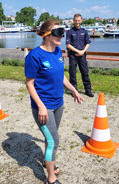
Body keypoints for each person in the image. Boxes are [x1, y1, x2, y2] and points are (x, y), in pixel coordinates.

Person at [25, 19, 83, 184]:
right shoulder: (34, 56)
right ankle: (51, 178)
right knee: (53, 140)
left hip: (58, 103)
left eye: (62, 32)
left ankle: (46, 161)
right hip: (43, 107)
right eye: (58, 33)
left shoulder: (58, 51)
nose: (62, 36)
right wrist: (41, 106)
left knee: (50, 136)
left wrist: (73, 89)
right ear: (46, 35)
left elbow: (61, 75)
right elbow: (29, 84)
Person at [66, 13, 94, 97]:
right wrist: (77, 51)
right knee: (72, 74)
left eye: (79, 20)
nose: (77, 22)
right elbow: (68, 44)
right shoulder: (70, 32)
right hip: (73, 56)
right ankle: (74, 91)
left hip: (82, 56)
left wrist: (82, 51)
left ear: (81, 20)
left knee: (85, 73)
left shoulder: (84, 32)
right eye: (76, 20)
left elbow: (88, 43)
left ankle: (88, 90)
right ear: (73, 21)